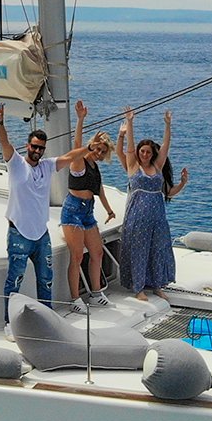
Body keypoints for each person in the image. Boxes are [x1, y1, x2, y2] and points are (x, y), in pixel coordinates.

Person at [0, 107, 72, 323]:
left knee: (46, 280)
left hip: (41, 234)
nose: (37, 151)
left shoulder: (47, 166)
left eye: (41, 148)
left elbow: (69, 158)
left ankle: (47, 322)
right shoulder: (16, 163)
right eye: (34, 146)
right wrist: (0, 124)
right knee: (14, 280)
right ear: (28, 145)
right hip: (19, 233)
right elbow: (5, 144)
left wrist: (90, 149)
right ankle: (9, 323)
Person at [58, 100, 117, 312]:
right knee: (76, 256)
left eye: (103, 152)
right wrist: (81, 119)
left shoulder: (94, 166)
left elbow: (98, 188)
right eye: (98, 149)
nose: (99, 154)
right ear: (92, 146)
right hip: (73, 211)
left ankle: (96, 293)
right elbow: (76, 145)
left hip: (88, 211)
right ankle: (74, 299)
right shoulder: (79, 161)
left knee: (97, 252)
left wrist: (109, 209)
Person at [118, 108, 176, 302]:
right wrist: (130, 123)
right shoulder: (133, 166)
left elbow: (166, 146)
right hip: (138, 216)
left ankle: (157, 284)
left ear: (152, 154)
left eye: (148, 152)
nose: (144, 154)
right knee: (139, 250)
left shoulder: (157, 166)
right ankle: (139, 287)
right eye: (142, 151)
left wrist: (167, 125)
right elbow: (129, 147)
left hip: (158, 216)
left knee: (157, 248)